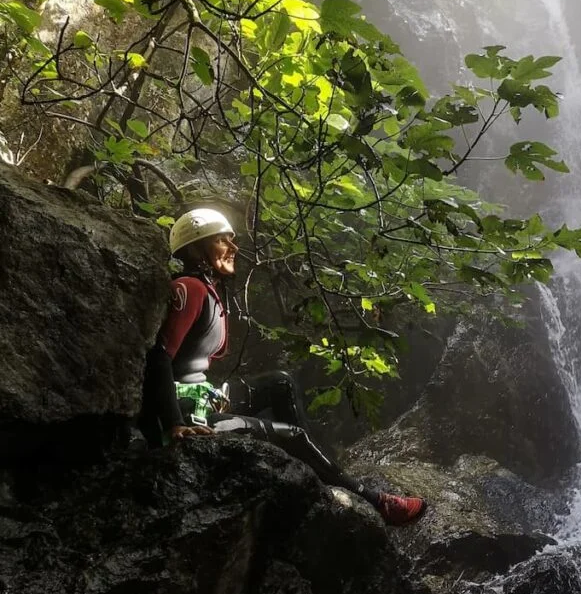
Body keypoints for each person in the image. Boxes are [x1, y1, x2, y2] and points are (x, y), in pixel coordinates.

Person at [139, 208, 427, 526]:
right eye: (224, 241)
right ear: (197, 247)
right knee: (293, 436)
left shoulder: (206, 290)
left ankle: (315, 472)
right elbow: (160, 356)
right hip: (182, 408)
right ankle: (372, 500)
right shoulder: (189, 289)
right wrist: (174, 424)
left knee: (281, 382)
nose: (234, 249)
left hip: (197, 394)